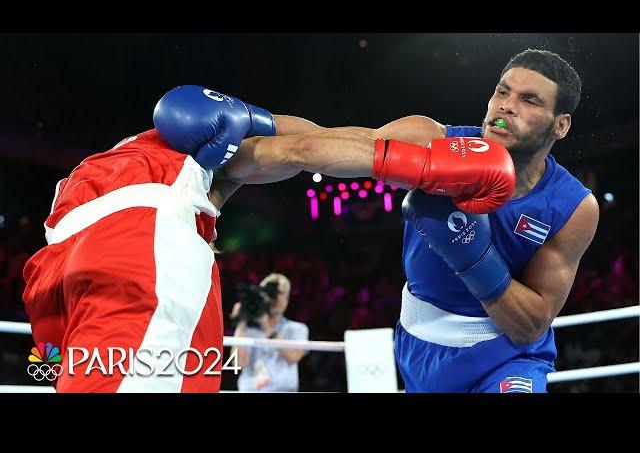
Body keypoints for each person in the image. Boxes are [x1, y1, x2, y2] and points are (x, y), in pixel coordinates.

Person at [22, 82, 508, 392]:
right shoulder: (197, 162)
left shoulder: (110, 166)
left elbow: (49, 354)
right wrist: (425, 166)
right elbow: (304, 147)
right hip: (142, 253)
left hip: (54, 262)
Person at [219, 49, 599, 393]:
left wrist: (472, 255)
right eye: (502, 92)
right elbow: (315, 144)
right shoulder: (431, 142)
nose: (507, 107)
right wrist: (238, 134)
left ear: (560, 125)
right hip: (421, 346)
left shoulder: (572, 206)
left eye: (529, 100)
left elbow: (530, 325)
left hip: (507, 358)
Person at [230, 273, 309, 392]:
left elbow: (293, 357)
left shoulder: (297, 329)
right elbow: (238, 363)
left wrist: (267, 326)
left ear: (287, 299)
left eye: (280, 293)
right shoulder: (247, 330)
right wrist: (242, 321)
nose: (275, 297)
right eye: (270, 292)